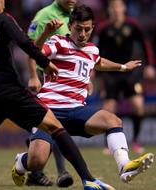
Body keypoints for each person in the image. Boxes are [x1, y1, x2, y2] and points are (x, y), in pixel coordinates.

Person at [0, 1, 114, 190]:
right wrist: (44, 63)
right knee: (55, 126)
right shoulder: (1, 19)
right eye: (3, 2)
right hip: (8, 89)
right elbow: (25, 42)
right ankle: (89, 180)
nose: (5, 5)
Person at [12, 4, 154, 188]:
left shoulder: (92, 50)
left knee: (113, 121)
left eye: (87, 29)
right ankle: (21, 162)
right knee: (37, 162)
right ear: (70, 26)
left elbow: (98, 62)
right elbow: (34, 54)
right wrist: (46, 32)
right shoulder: (57, 42)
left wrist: (123, 67)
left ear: (92, 28)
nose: (82, 34)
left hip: (76, 111)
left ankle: (124, 166)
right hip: (48, 112)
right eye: (78, 29)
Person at [25, 0, 77, 187]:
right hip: (44, 75)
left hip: (64, 78)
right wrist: (33, 76)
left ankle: (35, 168)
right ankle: (62, 172)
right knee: (54, 124)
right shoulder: (43, 15)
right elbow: (30, 47)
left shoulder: (74, 14)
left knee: (52, 125)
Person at [94, 0, 155, 154]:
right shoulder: (103, 28)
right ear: (109, 9)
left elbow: (145, 44)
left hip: (131, 73)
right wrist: (96, 71)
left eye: (118, 6)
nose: (115, 10)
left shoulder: (133, 25)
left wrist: (149, 66)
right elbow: (96, 50)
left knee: (138, 105)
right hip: (111, 73)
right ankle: (108, 144)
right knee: (108, 108)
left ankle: (135, 140)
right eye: (112, 7)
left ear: (123, 8)